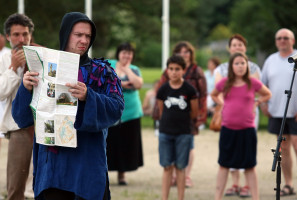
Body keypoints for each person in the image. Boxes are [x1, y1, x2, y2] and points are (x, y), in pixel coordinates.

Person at [11, 12, 124, 200]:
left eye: (88, 36)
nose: (83, 40)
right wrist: (25, 88)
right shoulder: (43, 67)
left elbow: (117, 109)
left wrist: (89, 96)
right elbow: (21, 118)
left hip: (87, 163)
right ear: (66, 34)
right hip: (53, 167)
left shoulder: (103, 72)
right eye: (78, 35)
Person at [211, 52, 271, 200]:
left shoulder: (253, 82)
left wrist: (257, 102)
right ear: (232, 66)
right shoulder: (224, 82)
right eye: (237, 63)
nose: (240, 66)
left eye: (243, 63)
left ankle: (255, 197)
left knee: (249, 166)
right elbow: (213, 94)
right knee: (224, 165)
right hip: (228, 129)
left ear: (247, 66)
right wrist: (222, 103)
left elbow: (267, 94)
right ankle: (217, 197)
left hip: (247, 130)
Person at [153, 41, 207, 188]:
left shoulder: (197, 71)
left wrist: (200, 114)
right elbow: (161, 92)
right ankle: (172, 175)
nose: (183, 54)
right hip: (171, 115)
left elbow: (202, 94)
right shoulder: (169, 71)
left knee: (188, 145)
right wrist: (161, 114)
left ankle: (185, 175)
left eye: (186, 52)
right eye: (180, 52)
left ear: (191, 54)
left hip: (189, 113)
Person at [0, 13, 36, 200]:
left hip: (45, 125)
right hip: (19, 127)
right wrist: (14, 68)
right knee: (16, 186)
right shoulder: (3, 60)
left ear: (30, 35)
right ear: (7, 37)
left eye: (25, 34)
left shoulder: (41, 55)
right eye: (16, 35)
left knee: (47, 181)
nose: (21, 39)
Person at [261, 28, 297, 197]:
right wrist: (263, 105)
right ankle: (288, 184)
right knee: (283, 148)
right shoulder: (270, 60)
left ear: (292, 40)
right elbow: (263, 85)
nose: (282, 40)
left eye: (286, 38)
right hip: (277, 111)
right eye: (279, 38)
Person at [157, 55, 198, 200]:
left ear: (183, 70)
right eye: (171, 69)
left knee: (181, 167)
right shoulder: (163, 90)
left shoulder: (189, 90)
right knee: (167, 167)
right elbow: (162, 111)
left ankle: (180, 197)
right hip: (165, 133)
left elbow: (194, 112)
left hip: (183, 134)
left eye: (177, 69)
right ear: (167, 70)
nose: (174, 72)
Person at [106, 42, 144, 185]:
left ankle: (122, 175)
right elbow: (102, 81)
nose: (126, 56)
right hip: (111, 110)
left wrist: (127, 70)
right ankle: (105, 174)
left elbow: (138, 84)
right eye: (124, 52)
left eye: (129, 53)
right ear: (118, 53)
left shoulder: (134, 69)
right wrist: (121, 84)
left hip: (130, 112)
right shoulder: (109, 64)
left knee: (125, 144)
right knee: (109, 144)